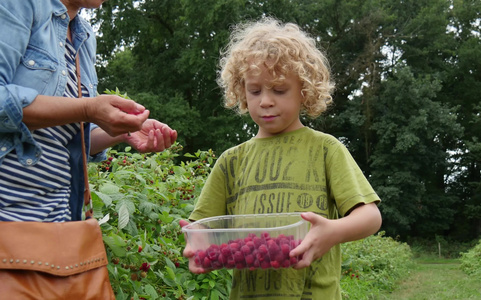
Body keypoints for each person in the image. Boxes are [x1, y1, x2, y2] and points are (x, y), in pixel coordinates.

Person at [179, 17, 382, 299]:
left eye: (279, 90)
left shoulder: (326, 149)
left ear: (304, 91)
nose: (265, 101)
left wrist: (332, 232)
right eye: (254, 90)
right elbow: (201, 225)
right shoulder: (231, 161)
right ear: (241, 90)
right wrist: (198, 242)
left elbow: (370, 217)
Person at [0, 0, 178, 222]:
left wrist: (125, 131)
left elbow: (71, 135)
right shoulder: (18, 5)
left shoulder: (84, 36)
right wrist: (87, 109)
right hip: (8, 214)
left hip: (60, 218)